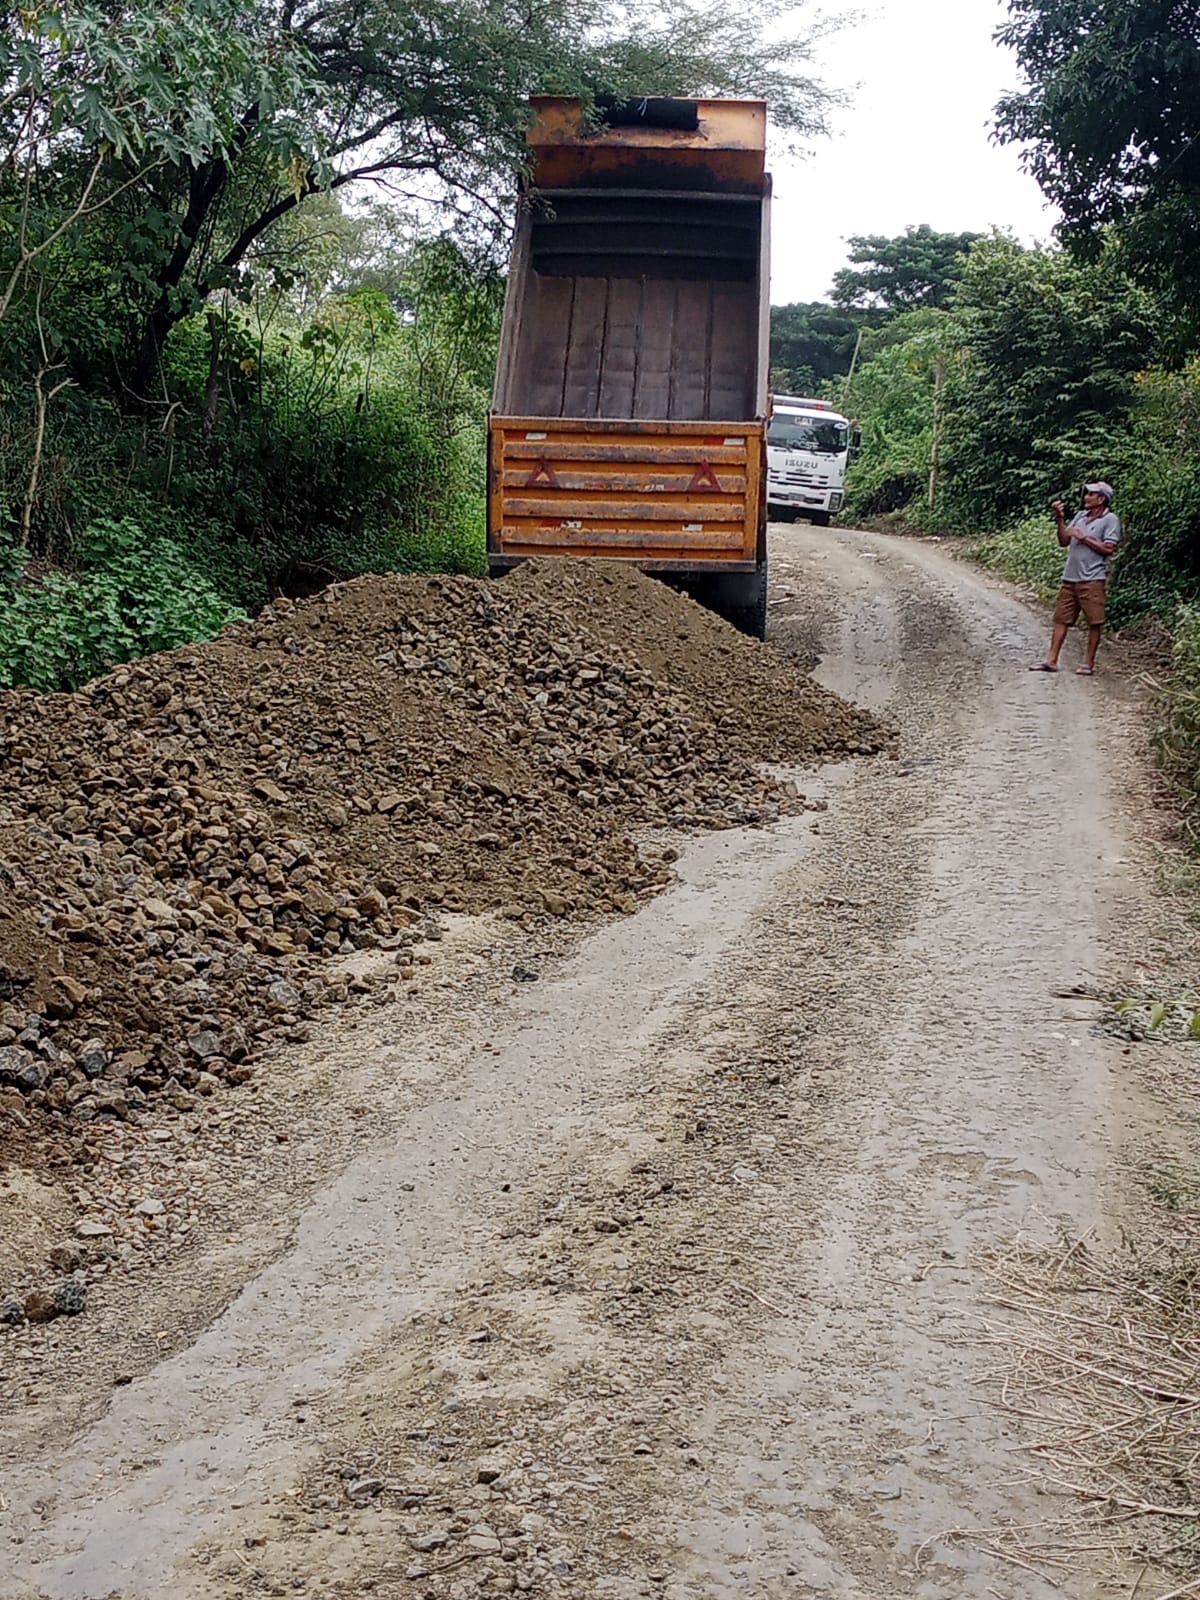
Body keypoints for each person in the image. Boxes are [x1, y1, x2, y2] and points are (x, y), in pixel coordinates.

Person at [1029, 482, 1122, 676]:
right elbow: (1064, 541)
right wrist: (1059, 518)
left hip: (1093, 579)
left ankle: (1088, 664)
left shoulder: (1110, 519)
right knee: (1061, 619)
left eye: (1091, 494)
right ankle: (1051, 660)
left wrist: (1083, 537)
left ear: (1101, 499)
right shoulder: (1080, 516)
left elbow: (1109, 548)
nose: (1086, 497)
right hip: (1070, 577)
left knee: (1094, 622)